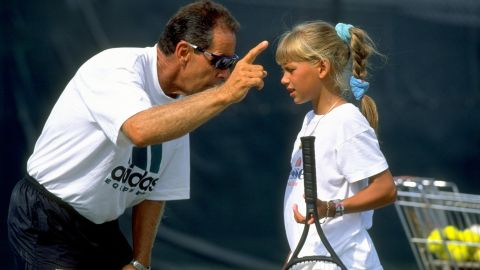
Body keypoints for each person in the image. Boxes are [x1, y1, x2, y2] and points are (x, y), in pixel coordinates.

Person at [7, 1, 269, 269]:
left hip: (100, 228)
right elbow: (139, 130)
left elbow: (154, 190)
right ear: (183, 52)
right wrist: (224, 95)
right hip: (47, 218)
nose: (225, 74)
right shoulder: (115, 67)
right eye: (221, 61)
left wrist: (140, 262)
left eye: (231, 63)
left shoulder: (179, 107)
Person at [276, 21, 397, 269]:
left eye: (290, 69)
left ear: (322, 67)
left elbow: (386, 189)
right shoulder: (310, 120)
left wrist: (333, 208)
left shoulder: (346, 120)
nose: (283, 79)